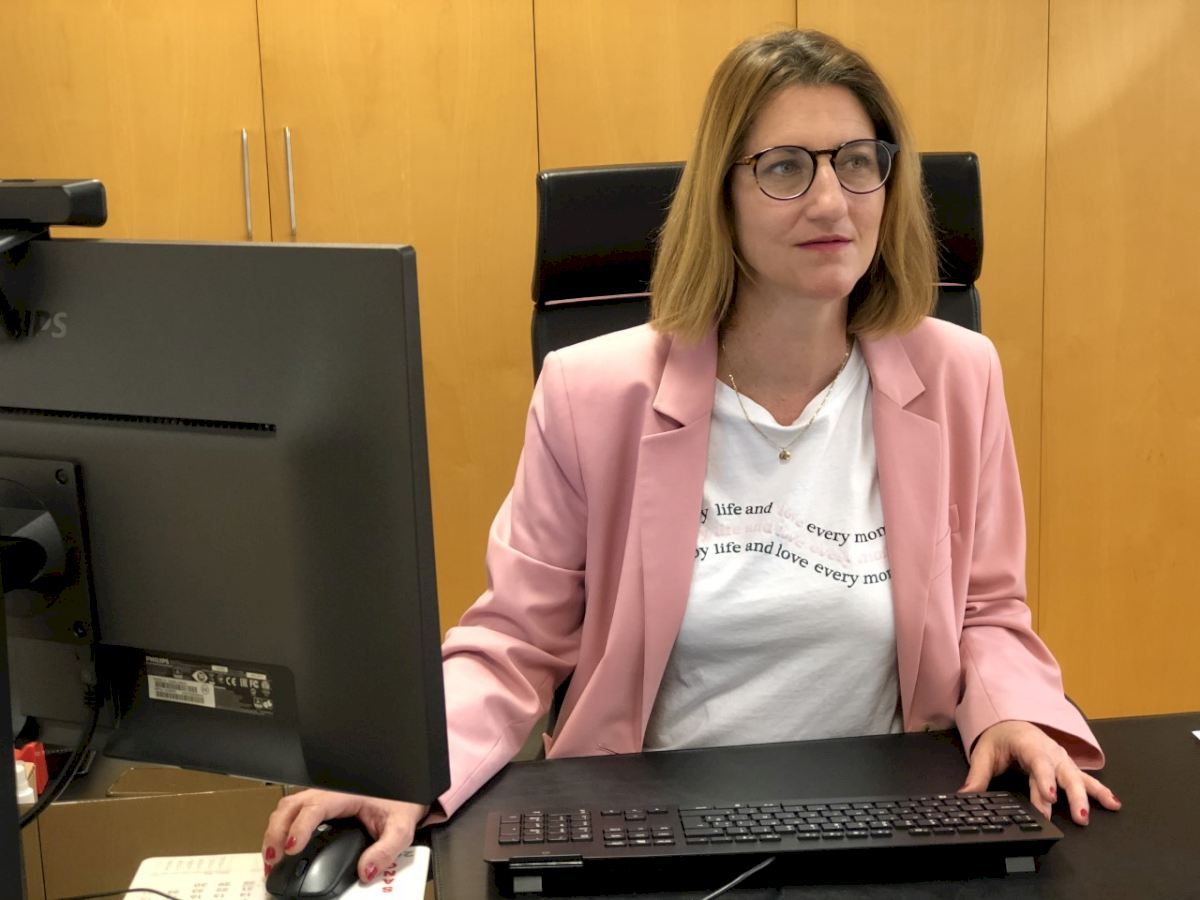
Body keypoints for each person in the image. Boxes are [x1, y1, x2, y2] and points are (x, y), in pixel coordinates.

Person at [262, 29, 1120, 885]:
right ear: (722, 196)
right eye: (786, 168)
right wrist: (406, 773)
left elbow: (987, 611)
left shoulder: (957, 376)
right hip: (652, 839)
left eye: (858, 162)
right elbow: (514, 639)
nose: (832, 201)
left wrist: (1010, 712)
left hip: (884, 828)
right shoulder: (591, 393)